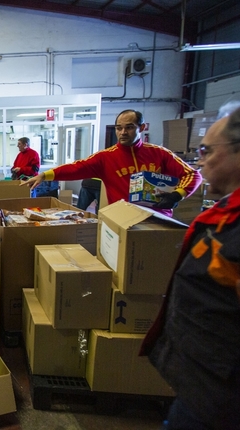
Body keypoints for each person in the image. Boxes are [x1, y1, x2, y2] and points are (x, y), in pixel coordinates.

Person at [139, 102, 240, 429]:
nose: (202, 160)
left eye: (208, 150)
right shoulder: (225, 217)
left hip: (220, 397)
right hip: (201, 382)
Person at [21, 109, 202, 216]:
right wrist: (45, 175)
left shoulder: (160, 154)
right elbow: (77, 168)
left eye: (129, 127)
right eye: (119, 128)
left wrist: (177, 195)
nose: (123, 132)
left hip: (157, 219)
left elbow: (193, 175)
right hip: (123, 220)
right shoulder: (106, 158)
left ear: (142, 128)